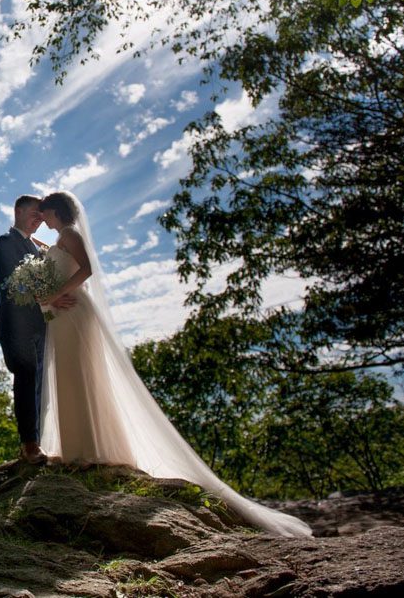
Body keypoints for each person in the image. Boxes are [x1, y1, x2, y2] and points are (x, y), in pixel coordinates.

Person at [35, 190, 312, 537]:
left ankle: (89, 448)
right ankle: (75, 445)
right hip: (63, 316)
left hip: (75, 312)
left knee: (82, 375)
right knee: (69, 376)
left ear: (54, 210)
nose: (42, 219)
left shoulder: (71, 234)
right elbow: (63, 265)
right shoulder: (60, 239)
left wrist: (59, 293)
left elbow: (87, 269)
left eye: (44, 213)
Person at [0, 195, 74, 464]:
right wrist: (50, 298)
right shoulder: (5, 243)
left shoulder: (35, 247)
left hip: (41, 324)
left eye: (42, 215)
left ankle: (40, 441)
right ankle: (29, 445)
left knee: (40, 382)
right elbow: (13, 281)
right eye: (34, 215)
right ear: (18, 211)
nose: (39, 220)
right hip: (16, 325)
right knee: (26, 377)